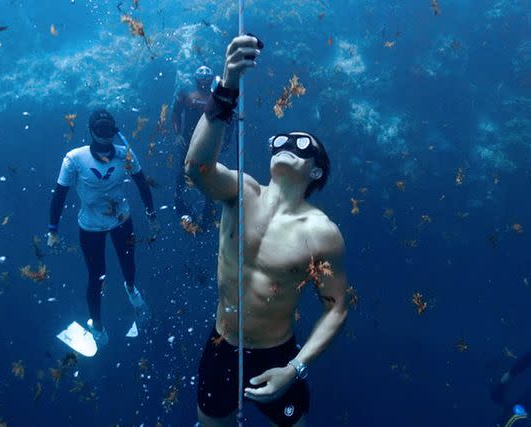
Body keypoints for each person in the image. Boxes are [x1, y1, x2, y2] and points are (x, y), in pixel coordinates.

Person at [185, 35, 349, 427]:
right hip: (221, 345)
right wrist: (226, 88)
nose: (285, 143)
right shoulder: (242, 192)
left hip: (277, 353)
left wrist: (295, 369)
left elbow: (337, 308)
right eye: (279, 140)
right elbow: (196, 168)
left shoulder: (323, 233)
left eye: (300, 142)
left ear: (317, 170)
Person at [47, 108, 159, 347]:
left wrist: (152, 215)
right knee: (96, 277)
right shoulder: (74, 159)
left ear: (115, 130)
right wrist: (52, 230)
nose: (106, 137)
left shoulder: (124, 154)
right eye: (101, 131)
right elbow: (59, 195)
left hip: (121, 220)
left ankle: (132, 291)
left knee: (129, 263)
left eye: (109, 131)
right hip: (91, 226)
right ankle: (98, 327)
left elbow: (141, 183)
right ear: (91, 131)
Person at [172, 65, 235, 231]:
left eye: (206, 77)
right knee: (183, 172)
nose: (204, 80)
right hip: (188, 141)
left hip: (210, 143)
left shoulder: (215, 97)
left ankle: (208, 211)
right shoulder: (186, 95)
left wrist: (226, 141)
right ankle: (181, 207)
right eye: (201, 77)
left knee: (208, 172)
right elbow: (175, 113)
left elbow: (230, 120)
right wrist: (178, 134)